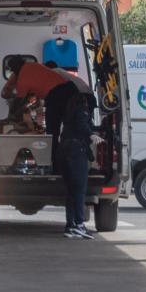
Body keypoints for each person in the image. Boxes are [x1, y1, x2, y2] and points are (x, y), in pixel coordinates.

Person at [47, 68, 96, 239]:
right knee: (79, 189)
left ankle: (70, 225)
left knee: (70, 190)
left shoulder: (66, 111)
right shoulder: (81, 106)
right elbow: (83, 125)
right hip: (76, 151)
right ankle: (80, 224)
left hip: (63, 149)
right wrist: (92, 135)